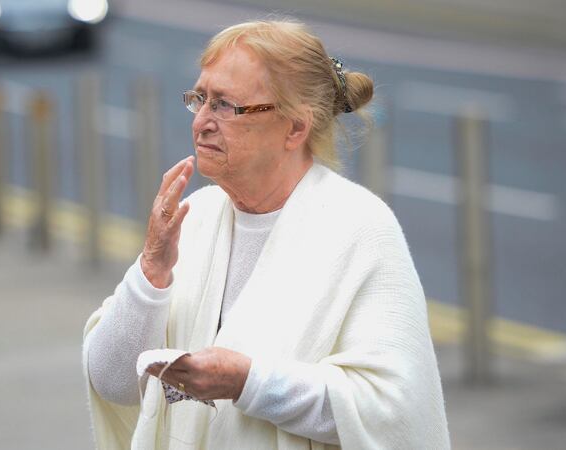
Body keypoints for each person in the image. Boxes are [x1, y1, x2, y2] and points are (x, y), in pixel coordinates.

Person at [82, 19, 450, 449]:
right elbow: (114, 383)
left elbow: (391, 411)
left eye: (224, 105)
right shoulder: (195, 216)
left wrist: (248, 383)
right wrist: (152, 269)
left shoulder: (361, 228)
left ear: (295, 128)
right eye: (199, 99)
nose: (201, 122)